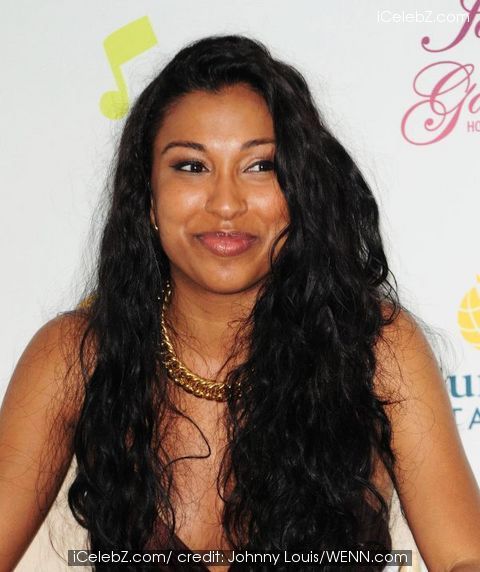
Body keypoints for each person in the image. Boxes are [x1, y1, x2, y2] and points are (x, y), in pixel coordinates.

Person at [1, 34, 479, 572]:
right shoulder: (75, 353)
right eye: (190, 166)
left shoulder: (374, 346)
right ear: (148, 199)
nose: (226, 204)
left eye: (260, 167)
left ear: (298, 193)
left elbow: (465, 557)